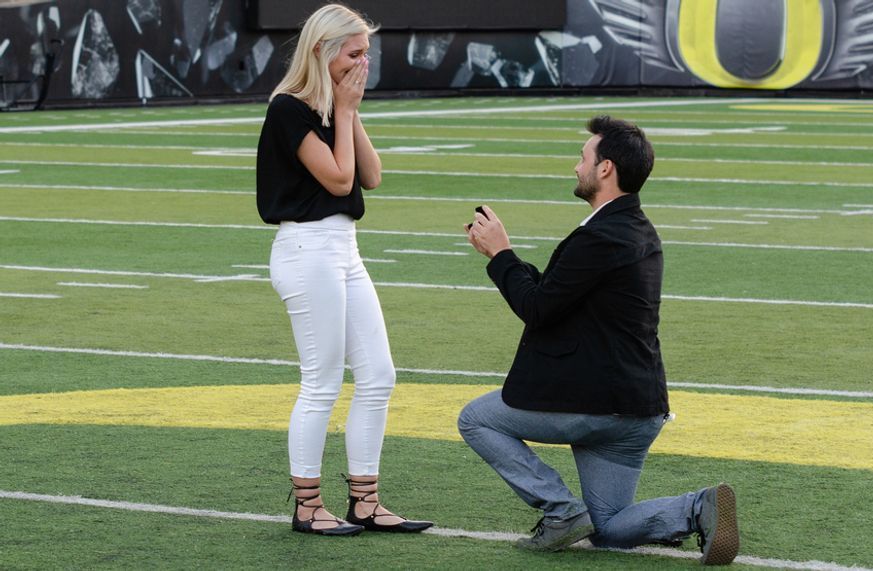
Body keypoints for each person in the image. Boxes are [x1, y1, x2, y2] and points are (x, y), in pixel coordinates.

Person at [459, 116, 739, 564]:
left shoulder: (600, 235)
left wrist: (501, 254)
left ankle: (560, 511)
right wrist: (506, 254)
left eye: (583, 157)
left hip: (594, 403)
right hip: (639, 408)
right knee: (608, 528)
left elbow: (538, 309)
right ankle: (695, 507)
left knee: (476, 419)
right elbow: (556, 298)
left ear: (605, 168)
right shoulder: (636, 229)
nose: (576, 167)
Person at [256, 3, 431, 537]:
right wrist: (346, 112)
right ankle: (308, 506)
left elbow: (371, 176)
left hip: (342, 249)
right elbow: (337, 181)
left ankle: (365, 501)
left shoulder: (336, 104)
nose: (363, 63)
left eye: (366, 53)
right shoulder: (288, 108)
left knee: (378, 375)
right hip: (307, 249)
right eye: (354, 53)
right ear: (322, 51)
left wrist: (348, 108)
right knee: (322, 381)